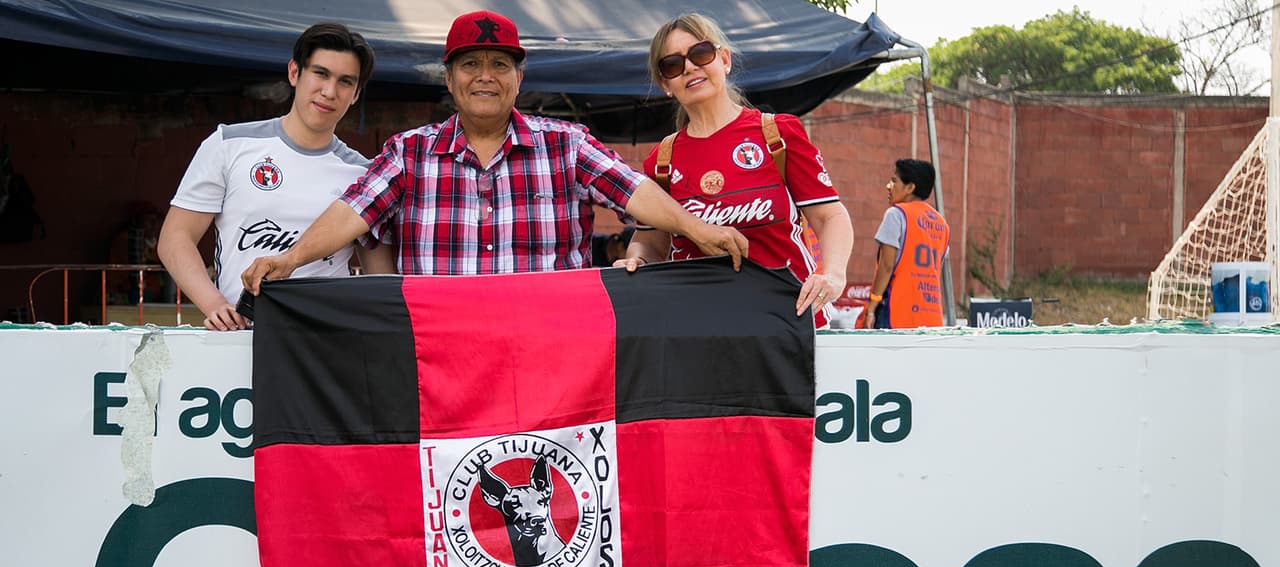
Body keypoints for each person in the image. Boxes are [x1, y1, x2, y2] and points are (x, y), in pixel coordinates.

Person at [240, 10, 748, 293]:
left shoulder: (566, 145)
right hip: (438, 358)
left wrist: (696, 229)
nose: (485, 76)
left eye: (500, 65)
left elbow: (635, 191)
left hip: (553, 354)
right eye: (471, 64)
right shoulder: (409, 153)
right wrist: (290, 259)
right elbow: (353, 212)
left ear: (518, 78)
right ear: (450, 79)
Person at [615, 13, 853, 321]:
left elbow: (829, 216)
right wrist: (635, 262)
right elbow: (648, 243)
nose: (689, 67)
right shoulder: (662, 159)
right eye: (672, 65)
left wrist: (833, 274)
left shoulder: (778, 134)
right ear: (666, 84)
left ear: (724, 59)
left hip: (787, 323)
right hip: (697, 328)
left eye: (701, 53)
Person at [158, 22, 393, 331]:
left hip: (325, 342)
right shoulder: (229, 145)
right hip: (239, 339)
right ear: (295, 73)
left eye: (345, 81)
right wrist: (215, 305)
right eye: (320, 74)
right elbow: (175, 238)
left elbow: (382, 280)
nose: (329, 91)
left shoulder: (365, 176)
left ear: (355, 94)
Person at [864, 158, 950, 329]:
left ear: (910, 187)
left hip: (896, 313)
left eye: (894, 181)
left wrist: (872, 307)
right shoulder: (942, 224)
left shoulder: (896, 215)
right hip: (931, 317)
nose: (888, 186)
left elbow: (887, 266)